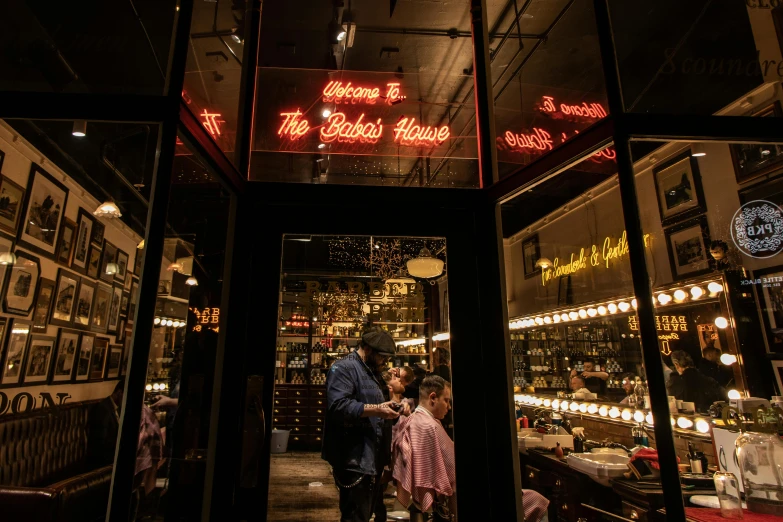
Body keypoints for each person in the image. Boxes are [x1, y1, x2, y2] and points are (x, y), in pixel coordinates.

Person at [323, 327, 411, 522]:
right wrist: (377, 409)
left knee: (365, 513)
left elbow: (375, 407)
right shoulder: (343, 368)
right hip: (354, 457)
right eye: (383, 357)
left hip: (372, 457)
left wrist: (393, 409)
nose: (385, 362)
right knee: (355, 516)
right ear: (369, 350)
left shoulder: (372, 371)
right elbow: (338, 406)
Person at [392, 376, 456, 522]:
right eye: (446, 400)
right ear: (433, 397)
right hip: (442, 502)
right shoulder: (429, 426)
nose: (449, 407)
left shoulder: (414, 419)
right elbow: (452, 469)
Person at [86, 379, 124, 469]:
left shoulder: (115, 408)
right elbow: (100, 442)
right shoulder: (103, 409)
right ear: (119, 392)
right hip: (101, 461)